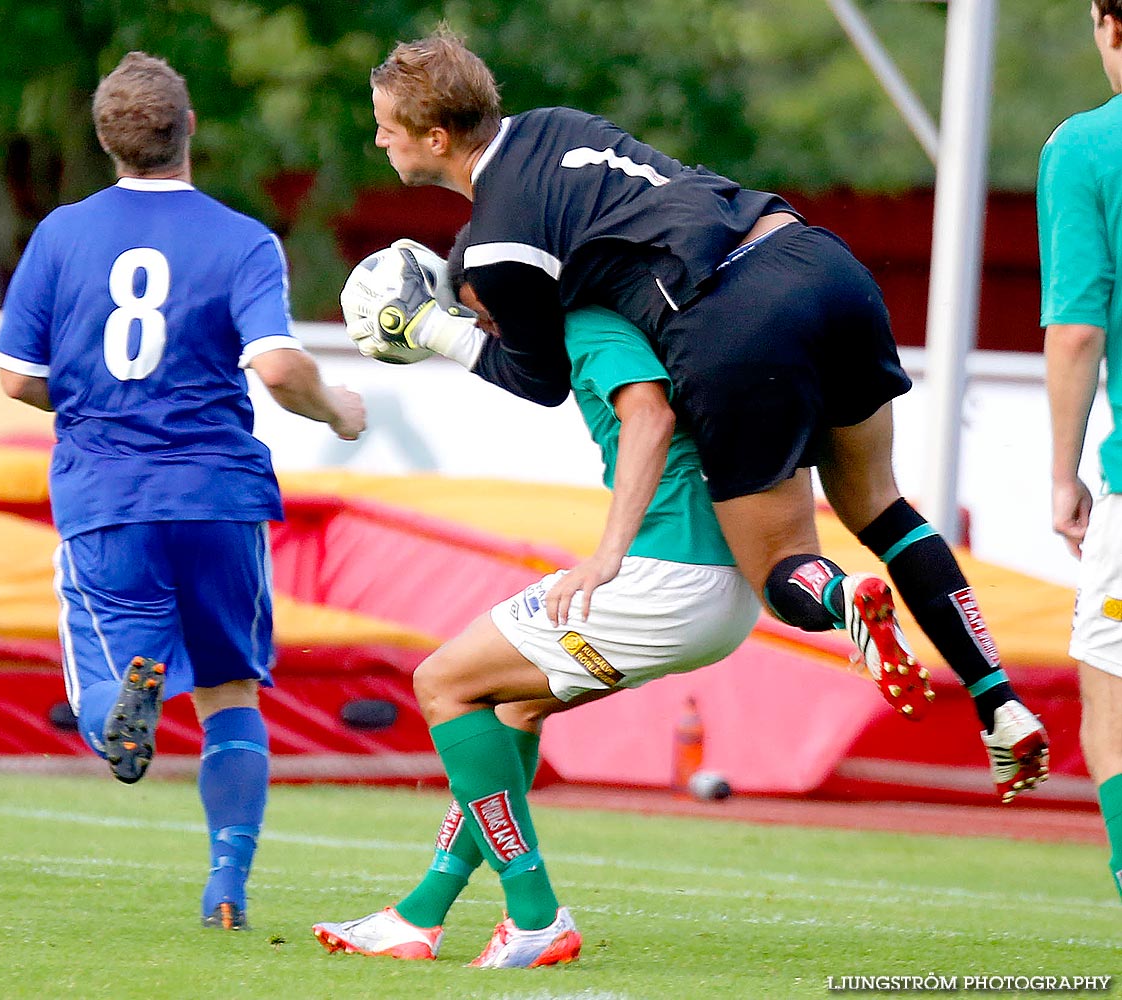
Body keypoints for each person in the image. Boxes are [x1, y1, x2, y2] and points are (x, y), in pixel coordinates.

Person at [354, 27, 1049, 803]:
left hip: (730, 319)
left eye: (387, 124)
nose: (379, 138)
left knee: (781, 560)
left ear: (436, 138)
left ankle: (840, 597)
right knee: (881, 507)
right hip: (817, 260)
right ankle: (999, 700)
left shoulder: (495, 247)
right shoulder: (555, 124)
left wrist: (433, 331)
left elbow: (541, 378)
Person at [0, 51, 366, 930]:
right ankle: (226, 885)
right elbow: (275, 365)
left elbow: (15, 379)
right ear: (188, 127)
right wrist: (338, 411)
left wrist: (88, 393)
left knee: (103, 688)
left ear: (106, 139)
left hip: (108, 495)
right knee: (231, 690)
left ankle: (127, 689)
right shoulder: (240, 239)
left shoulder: (60, 235)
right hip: (219, 497)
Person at [312, 236, 762, 967]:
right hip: (715, 589)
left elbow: (651, 418)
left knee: (443, 681)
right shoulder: (617, 316)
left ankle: (535, 913)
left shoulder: (589, 323)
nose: (488, 333)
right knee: (512, 707)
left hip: (667, 578)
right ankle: (419, 914)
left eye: (484, 316)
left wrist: (609, 553)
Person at [1040, 0, 1122, 901]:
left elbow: (1075, 332)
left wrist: (1064, 475)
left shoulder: (1089, 148)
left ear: (1108, 20)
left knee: (1115, 721)